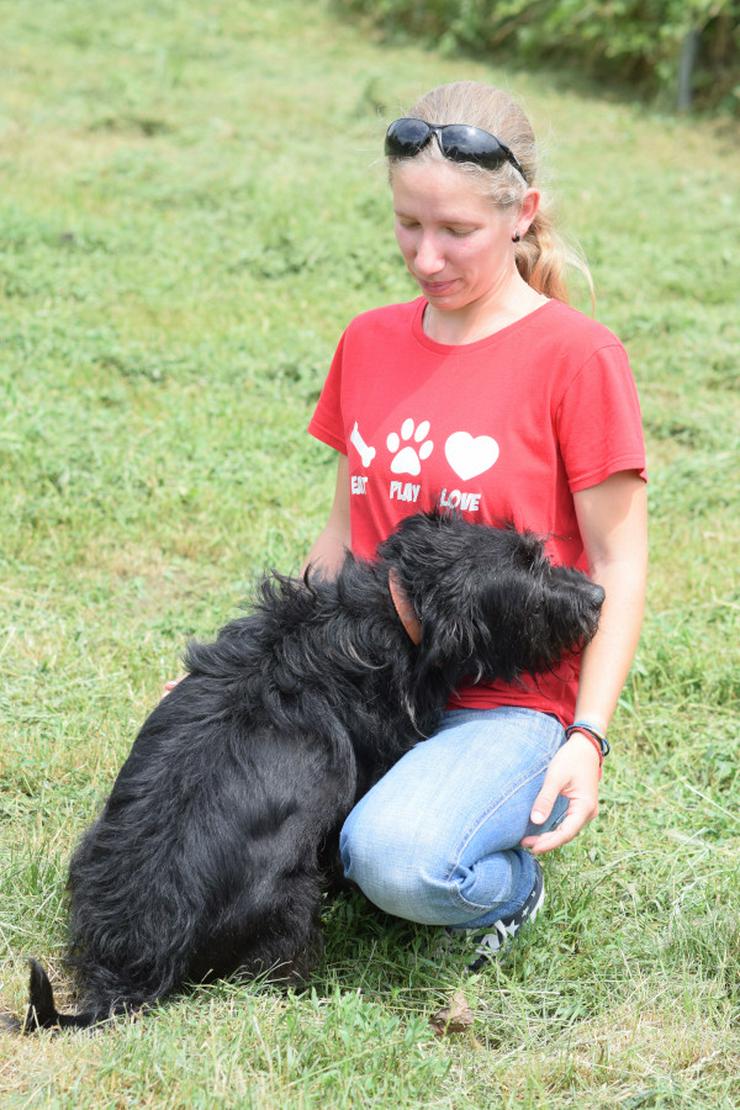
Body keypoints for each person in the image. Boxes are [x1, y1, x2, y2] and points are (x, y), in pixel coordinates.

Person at [303, 81, 647, 971]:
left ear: (522, 213)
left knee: (394, 859)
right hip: (375, 676)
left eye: (456, 231)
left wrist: (587, 736)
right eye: (408, 224)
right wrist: (244, 677)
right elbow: (338, 538)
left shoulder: (578, 357)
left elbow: (617, 559)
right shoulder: (368, 340)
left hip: (508, 700)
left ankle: (507, 888)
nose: (424, 257)